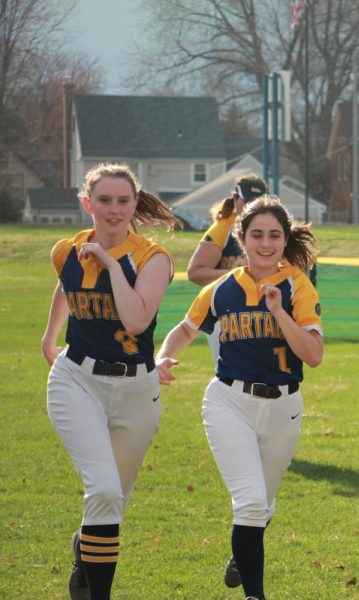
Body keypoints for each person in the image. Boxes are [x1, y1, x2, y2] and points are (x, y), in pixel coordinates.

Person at [155, 196, 322, 600]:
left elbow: (313, 356)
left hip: (284, 407)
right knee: (249, 504)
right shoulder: (221, 289)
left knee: (262, 507)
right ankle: (255, 595)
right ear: (241, 238)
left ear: (285, 240)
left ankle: (244, 550)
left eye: (275, 235)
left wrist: (280, 312)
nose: (266, 244)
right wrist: (160, 357)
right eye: (257, 235)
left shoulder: (297, 284)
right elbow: (185, 329)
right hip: (229, 402)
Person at [40, 163, 178, 600]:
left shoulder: (152, 258)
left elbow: (137, 321)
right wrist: (50, 337)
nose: (114, 210)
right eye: (104, 200)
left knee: (112, 500)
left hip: (137, 389)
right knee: (101, 488)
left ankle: (85, 547)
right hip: (77, 379)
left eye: (123, 201)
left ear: (135, 205)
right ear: (87, 203)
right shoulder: (66, 250)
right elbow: (68, 284)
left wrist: (110, 263)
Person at [187, 174, 268, 359]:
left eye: (256, 202)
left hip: (263, 310)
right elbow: (196, 272)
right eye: (246, 200)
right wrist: (239, 274)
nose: (250, 207)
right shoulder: (223, 228)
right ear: (235, 199)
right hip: (225, 311)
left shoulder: (272, 227)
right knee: (230, 373)